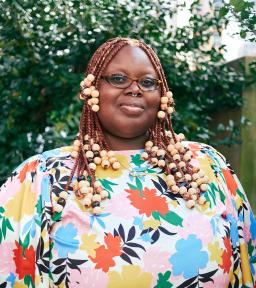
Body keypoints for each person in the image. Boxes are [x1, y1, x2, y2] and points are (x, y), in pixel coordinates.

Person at [0, 37, 255, 288]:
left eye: (147, 82)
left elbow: (247, 262)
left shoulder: (207, 166)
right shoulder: (43, 176)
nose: (135, 89)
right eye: (118, 79)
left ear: (161, 95)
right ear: (91, 89)